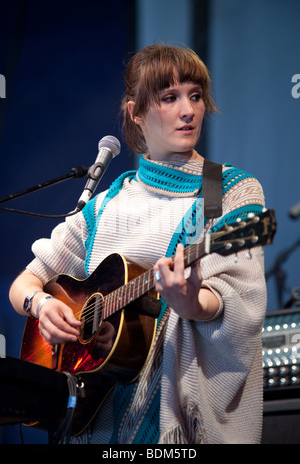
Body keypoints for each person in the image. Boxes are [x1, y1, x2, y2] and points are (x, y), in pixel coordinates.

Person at [9, 44, 267, 444]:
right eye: (169, 98)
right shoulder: (111, 198)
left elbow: (237, 303)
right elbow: (24, 282)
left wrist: (189, 301)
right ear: (136, 113)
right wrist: (42, 305)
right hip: (95, 422)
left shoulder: (222, 189)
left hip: (172, 428)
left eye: (195, 95)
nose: (189, 110)